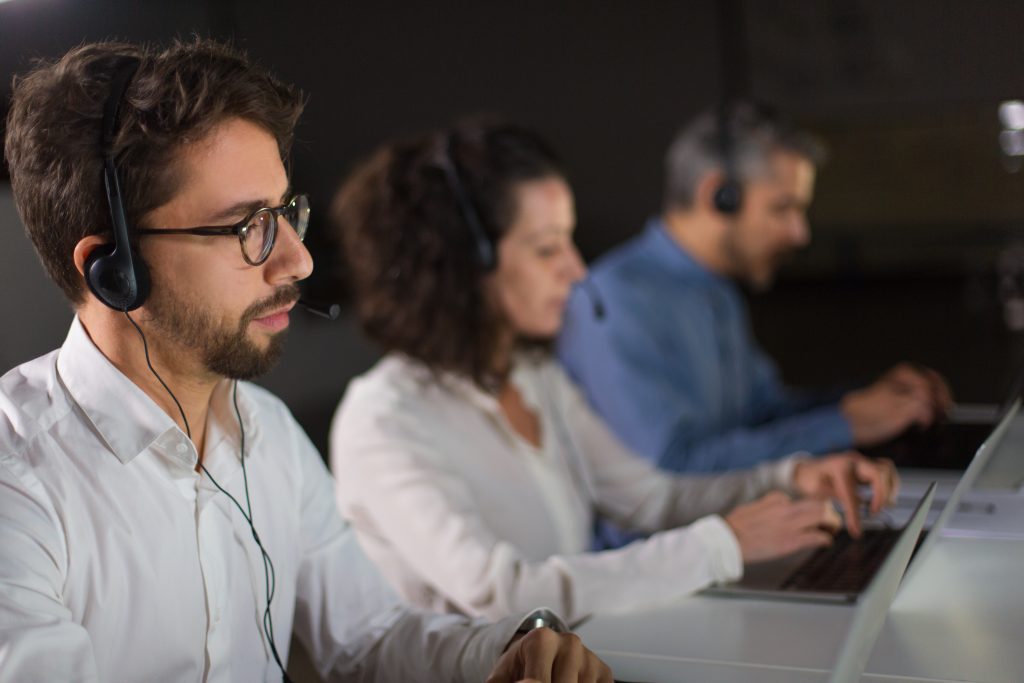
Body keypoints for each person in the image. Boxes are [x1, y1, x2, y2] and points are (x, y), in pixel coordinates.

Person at [0, 40, 612, 683]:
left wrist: (505, 653)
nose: (298, 260)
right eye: (247, 226)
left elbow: (369, 636)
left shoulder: (268, 435)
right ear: (114, 271)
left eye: (286, 212)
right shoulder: (20, 483)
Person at [328, 120, 898, 626]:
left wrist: (789, 478)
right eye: (548, 249)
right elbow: (501, 594)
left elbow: (649, 499)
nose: (577, 272)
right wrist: (722, 545)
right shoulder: (384, 420)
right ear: (462, 266)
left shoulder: (533, 377)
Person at [557, 103, 951, 479]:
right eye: (783, 209)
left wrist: (864, 401)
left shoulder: (717, 289)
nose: (800, 234)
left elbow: (761, 413)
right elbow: (673, 469)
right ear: (719, 196)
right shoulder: (615, 301)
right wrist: (845, 424)